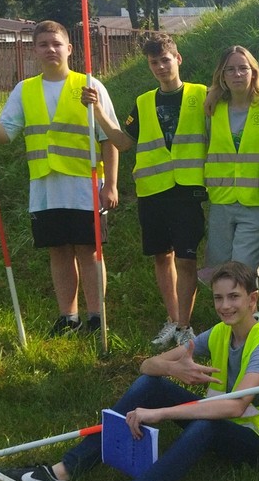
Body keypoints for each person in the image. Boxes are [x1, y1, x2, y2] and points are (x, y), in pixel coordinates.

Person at [0, 261, 259, 481]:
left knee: (207, 426)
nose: (225, 306)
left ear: (253, 300)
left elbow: (235, 407)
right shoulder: (219, 332)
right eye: (218, 298)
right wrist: (172, 367)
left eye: (234, 297)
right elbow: (147, 367)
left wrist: (161, 413)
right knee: (151, 385)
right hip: (226, 421)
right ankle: (61, 473)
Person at [0, 20, 120, 336]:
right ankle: (68, 318)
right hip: (45, 188)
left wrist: (112, 185)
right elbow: (5, 134)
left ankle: (96, 318)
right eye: (43, 44)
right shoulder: (25, 89)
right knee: (58, 253)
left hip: (83, 186)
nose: (50, 49)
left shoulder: (89, 85)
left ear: (69, 49)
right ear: (34, 49)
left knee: (88, 252)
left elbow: (109, 137)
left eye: (56, 43)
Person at [83, 33, 206, 347]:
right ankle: (172, 319)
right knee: (161, 257)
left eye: (166, 60)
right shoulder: (142, 102)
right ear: (149, 66)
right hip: (152, 191)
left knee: (187, 259)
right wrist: (97, 111)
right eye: (154, 62)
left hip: (187, 190)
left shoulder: (202, 95)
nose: (161, 67)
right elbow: (123, 143)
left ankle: (184, 325)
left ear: (178, 59)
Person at [203, 46, 259, 277]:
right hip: (222, 203)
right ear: (222, 75)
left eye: (243, 69)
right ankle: (228, 315)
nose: (237, 74)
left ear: (253, 72)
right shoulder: (213, 108)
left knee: (243, 271)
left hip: (257, 204)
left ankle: (249, 315)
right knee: (220, 272)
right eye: (230, 70)